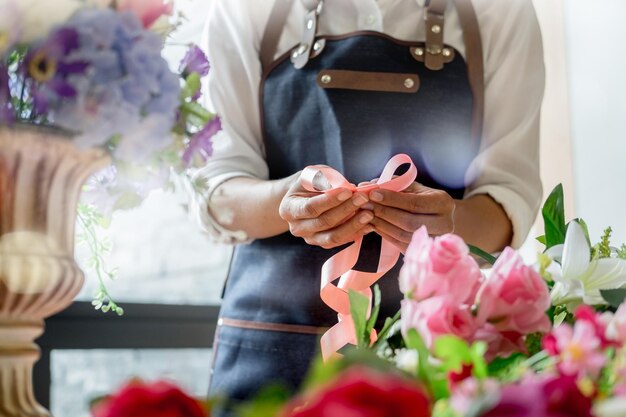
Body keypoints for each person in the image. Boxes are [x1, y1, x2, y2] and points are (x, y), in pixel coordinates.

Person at [193, 0, 544, 413]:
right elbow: (214, 190)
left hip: (430, 356)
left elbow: (508, 200)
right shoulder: (243, 10)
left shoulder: (500, 12)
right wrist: (286, 200)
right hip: (266, 348)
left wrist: (450, 220)